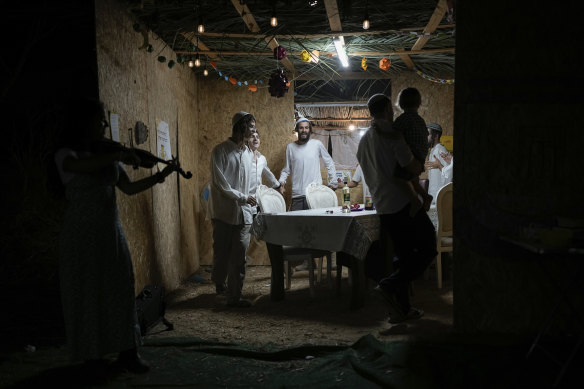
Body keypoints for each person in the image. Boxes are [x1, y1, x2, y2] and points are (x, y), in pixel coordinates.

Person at [54, 98, 178, 373]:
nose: (102, 126)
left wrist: (161, 175)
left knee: (120, 292)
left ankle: (128, 353)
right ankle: (92, 357)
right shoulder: (67, 155)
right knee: (86, 295)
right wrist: (118, 154)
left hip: (110, 233)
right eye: (97, 121)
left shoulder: (107, 158)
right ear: (81, 123)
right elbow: (80, 168)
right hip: (80, 238)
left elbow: (130, 189)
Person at [356, 93, 437, 324]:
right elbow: (409, 164)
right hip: (403, 203)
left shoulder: (363, 141)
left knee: (402, 256)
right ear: (388, 111)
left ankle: (401, 310)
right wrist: (419, 163)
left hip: (383, 207)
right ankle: (388, 285)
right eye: (392, 112)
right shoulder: (392, 136)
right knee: (428, 247)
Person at [208, 111, 257, 307]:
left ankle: (235, 296)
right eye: (251, 127)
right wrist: (244, 198)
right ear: (240, 127)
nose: (254, 131)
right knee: (221, 253)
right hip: (223, 213)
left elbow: (250, 183)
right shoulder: (219, 151)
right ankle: (220, 286)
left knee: (239, 256)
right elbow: (221, 185)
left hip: (243, 214)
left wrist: (251, 204)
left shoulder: (248, 153)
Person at [278, 117, 340, 270]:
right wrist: (281, 183)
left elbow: (329, 162)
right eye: (301, 128)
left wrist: (332, 182)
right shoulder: (290, 147)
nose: (304, 130)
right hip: (298, 194)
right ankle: (307, 262)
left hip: (315, 195)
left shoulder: (317, 144)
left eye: (306, 128)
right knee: (299, 229)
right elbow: (286, 169)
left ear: (310, 130)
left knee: (317, 229)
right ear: (297, 130)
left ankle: (324, 262)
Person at [393, 87, 433, 215]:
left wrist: (382, 132)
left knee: (398, 177)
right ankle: (425, 196)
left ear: (401, 103)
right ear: (419, 103)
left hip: (412, 155)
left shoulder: (402, 119)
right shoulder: (420, 120)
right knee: (413, 180)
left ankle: (415, 200)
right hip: (421, 156)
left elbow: (394, 135)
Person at [247, 129, 282, 215]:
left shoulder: (262, 158)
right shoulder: (243, 158)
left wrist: (278, 186)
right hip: (246, 201)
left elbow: (268, 174)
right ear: (246, 140)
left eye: (257, 137)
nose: (255, 139)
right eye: (252, 137)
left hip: (259, 202)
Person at [425, 123, 451, 205]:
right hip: (433, 197)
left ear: (436, 136)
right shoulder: (433, 150)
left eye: (428, 134)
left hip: (439, 199)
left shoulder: (440, 151)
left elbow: (448, 176)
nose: (426, 137)